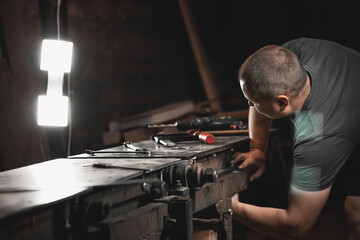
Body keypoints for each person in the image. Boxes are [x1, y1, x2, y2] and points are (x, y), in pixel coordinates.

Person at [231, 38, 360, 239]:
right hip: (350, 97)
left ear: (282, 102)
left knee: (356, 212)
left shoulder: (315, 140)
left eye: (253, 103)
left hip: (344, 114)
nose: (249, 103)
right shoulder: (290, 54)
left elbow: (296, 226)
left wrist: (233, 209)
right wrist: (258, 149)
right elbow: (261, 94)